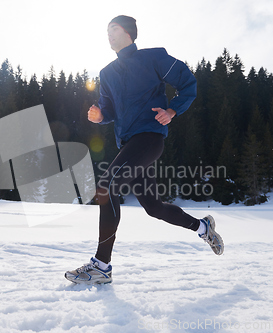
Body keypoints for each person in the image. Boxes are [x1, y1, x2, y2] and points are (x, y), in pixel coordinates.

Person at [65, 15, 223, 284]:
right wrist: (99, 114)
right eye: (106, 31)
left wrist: (173, 109)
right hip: (129, 145)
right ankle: (202, 226)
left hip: (149, 138)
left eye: (113, 29)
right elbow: (110, 110)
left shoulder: (153, 58)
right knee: (154, 207)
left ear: (128, 32)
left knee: (107, 187)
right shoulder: (107, 73)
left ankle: (101, 266)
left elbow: (188, 82)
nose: (109, 35)